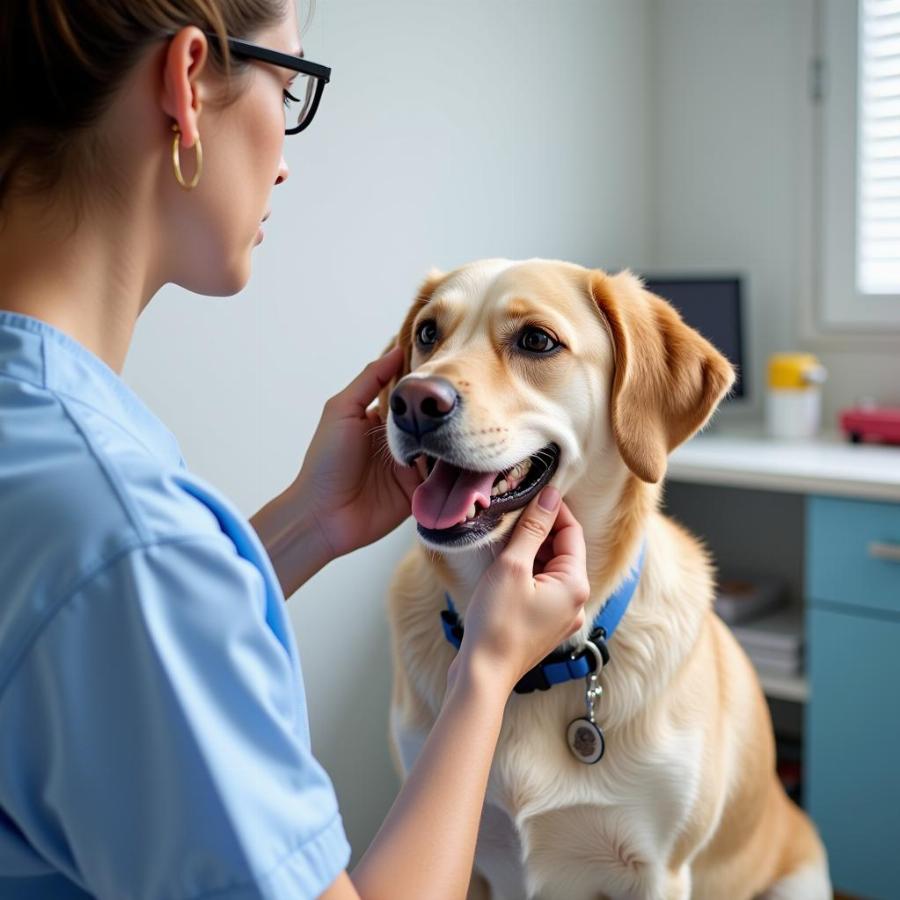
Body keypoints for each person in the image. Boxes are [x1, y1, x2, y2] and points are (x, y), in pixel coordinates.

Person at [0, 1, 591, 897]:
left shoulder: (54, 461)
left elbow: (80, 663)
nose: (284, 159)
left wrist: (308, 525)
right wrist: (489, 671)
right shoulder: (126, 539)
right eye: (290, 84)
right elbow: (123, 591)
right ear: (188, 79)